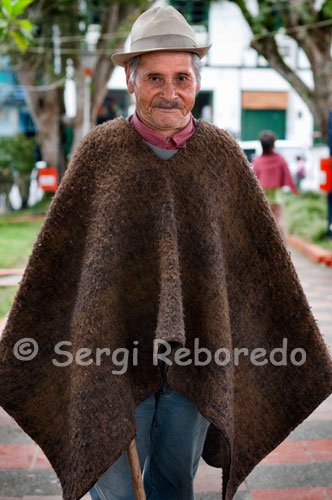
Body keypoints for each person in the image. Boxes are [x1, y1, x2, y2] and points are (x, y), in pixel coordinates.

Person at [0, 7, 331, 500]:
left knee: (174, 485)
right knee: (114, 492)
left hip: (197, 359)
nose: (170, 91)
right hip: (107, 358)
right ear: (130, 80)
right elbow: (59, 265)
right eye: (154, 77)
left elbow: (258, 268)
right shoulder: (99, 152)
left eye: (182, 77)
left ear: (197, 81)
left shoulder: (222, 155)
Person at [252, 130, 299, 239]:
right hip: (277, 199)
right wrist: (294, 189)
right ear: (273, 145)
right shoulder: (280, 159)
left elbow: (253, 179)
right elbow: (287, 175)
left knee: (263, 226)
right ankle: (280, 249)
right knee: (278, 226)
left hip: (262, 199)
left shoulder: (257, 161)